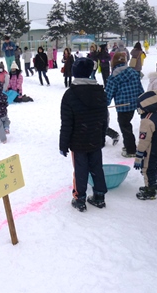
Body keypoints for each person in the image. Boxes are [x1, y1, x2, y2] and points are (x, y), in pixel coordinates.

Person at [59, 58, 109, 212]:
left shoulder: (70, 94)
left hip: (78, 141)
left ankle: (80, 198)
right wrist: (101, 138)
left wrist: (63, 144)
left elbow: (67, 123)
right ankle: (99, 195)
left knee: (80, 169)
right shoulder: (100, 92)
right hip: (94, 138)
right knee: (96, 167)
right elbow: (104, 119)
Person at [105, 52, 145, 157]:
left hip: (122, 107)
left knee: (125, 126)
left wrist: (104, 103)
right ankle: (129, 145)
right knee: (127, 124)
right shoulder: (133, 73)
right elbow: (140, 90)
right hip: (133, 105)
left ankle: (131, 150)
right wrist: (142, 102)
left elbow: (108, 95)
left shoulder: (113, 77)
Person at [133, 90, 157, 200]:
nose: (138, 111)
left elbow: (144, 140)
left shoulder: (146, 121)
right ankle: (155, 185)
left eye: (139, 108)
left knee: (147, 168)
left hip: (151, 149)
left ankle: (150, 189)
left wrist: (139, 154)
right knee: (153, 166)